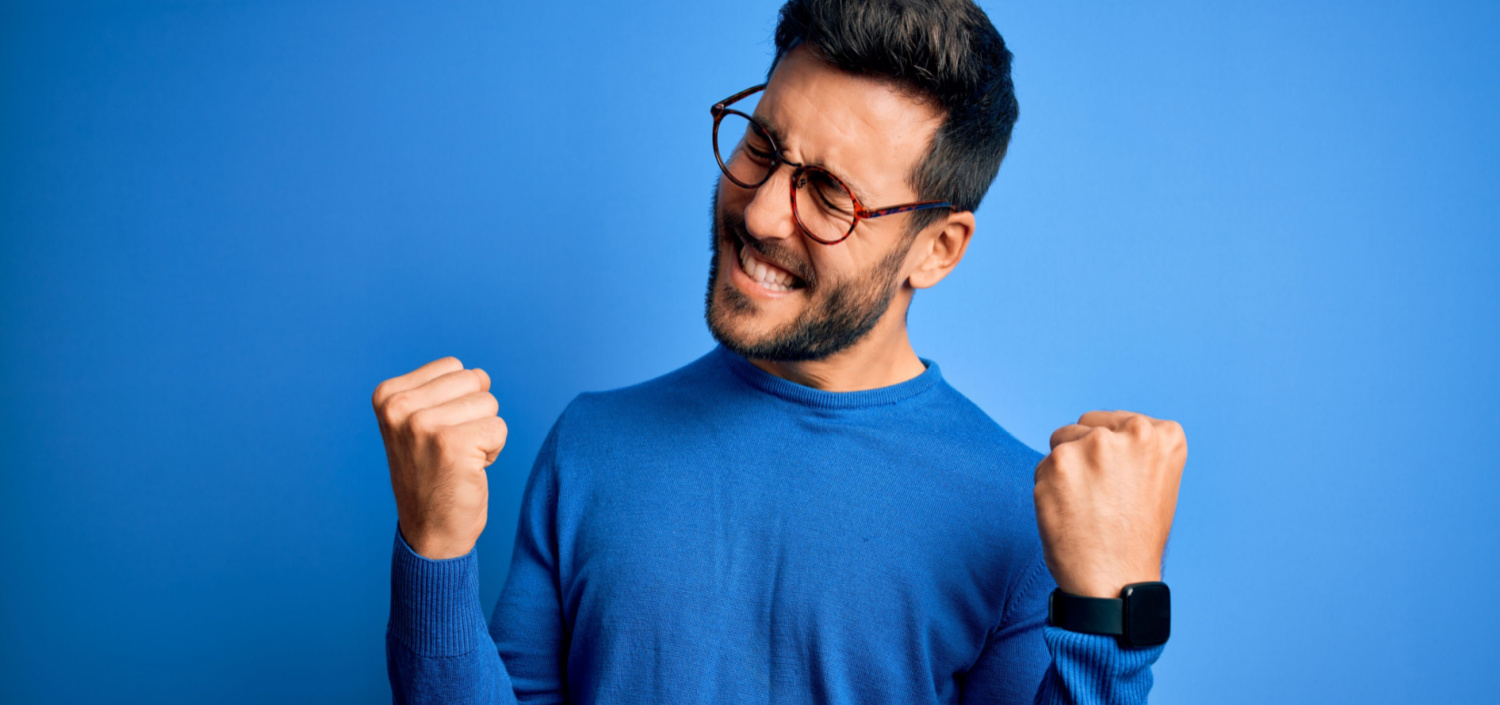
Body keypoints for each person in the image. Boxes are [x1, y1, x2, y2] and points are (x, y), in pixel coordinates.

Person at [372, 0, 1188, 703]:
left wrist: (1111, 617)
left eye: (831, 193)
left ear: (936, 249)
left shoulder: (1017, 520)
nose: (763, 213)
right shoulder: (590, 445)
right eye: (762, 145)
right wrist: (434, 548)